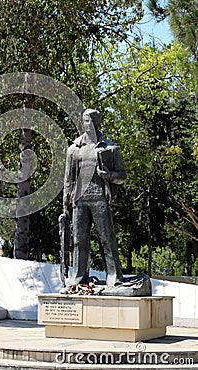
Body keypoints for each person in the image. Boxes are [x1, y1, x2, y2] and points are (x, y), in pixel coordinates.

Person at [63, 108, 126, 289]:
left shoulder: (110, 148)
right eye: (84, 121)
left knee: (106, 238)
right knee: (79, 240)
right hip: (79, 199)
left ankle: (114, 276)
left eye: (89, 121)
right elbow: (68, 179)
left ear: (96, 122)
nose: (86, 124)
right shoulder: (74, 149)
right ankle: (78, 277)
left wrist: (108, 175)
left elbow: (122, 176)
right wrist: (65, 202)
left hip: (99, 198)